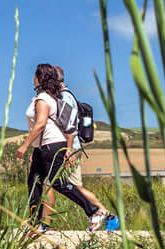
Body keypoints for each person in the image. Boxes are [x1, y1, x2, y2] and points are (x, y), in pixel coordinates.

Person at [18, 63, 102, 231]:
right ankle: (34, 222)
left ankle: (94, 211)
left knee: (59, 184)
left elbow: (41, 123)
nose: (32, 78)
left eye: (35, 75)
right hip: (43, 147)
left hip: (51, 145)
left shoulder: (43, 99)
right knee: (34, 182)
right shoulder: (48, 97)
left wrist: (25, 145)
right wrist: (36, 148)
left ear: (40, 78)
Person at [44, 66, 118, 231]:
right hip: (70, 149)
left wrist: (68, 151)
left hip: (69, 150)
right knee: (66, 186)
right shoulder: (65, 96)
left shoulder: (65, 97)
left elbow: (68, 127)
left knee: (72, 187)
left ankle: (103, 213)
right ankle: (106, 214)